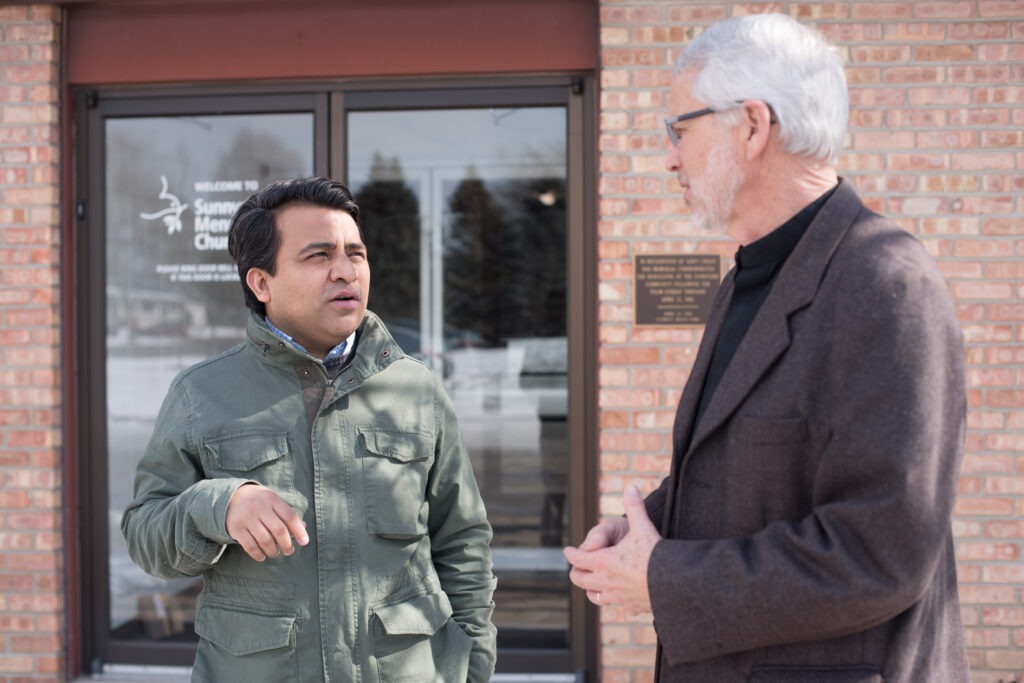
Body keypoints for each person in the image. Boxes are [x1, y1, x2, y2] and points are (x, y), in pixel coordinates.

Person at [564, 13, 968, 682]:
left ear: (752, 125)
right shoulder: (747, 281)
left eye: (679, 129)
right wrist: (645, 533)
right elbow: (757, 471)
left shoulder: (887, 283)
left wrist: (665, 576)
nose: (668, 156)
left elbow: (880, 554)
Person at [122, 176, 497, 682]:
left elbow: (463, 540)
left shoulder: (416, 388)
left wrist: (471, 665)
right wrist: (219, 505)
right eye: (319, 256)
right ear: (262, 283)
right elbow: (146, 534)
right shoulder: (201, 394)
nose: (345, 271)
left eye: (355, 254)